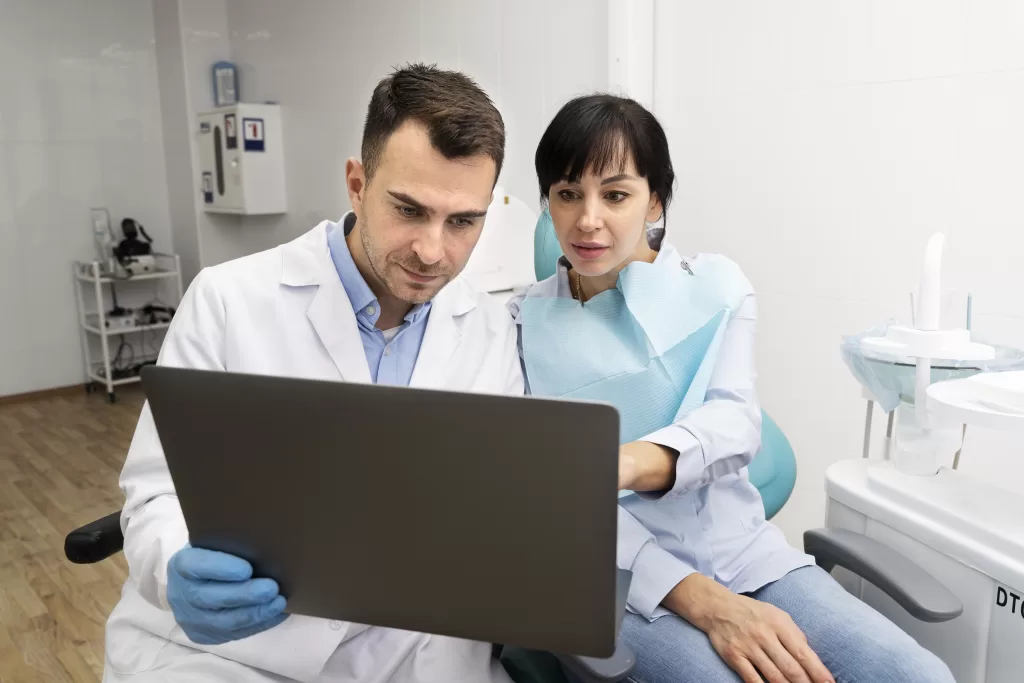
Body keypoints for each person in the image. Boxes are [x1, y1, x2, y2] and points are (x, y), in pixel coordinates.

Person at [509, 94, 955, 683]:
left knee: (918, 675)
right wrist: (691, 594)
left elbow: (734, 421)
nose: (588, 219)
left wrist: (626, 462)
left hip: (744, 554)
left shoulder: (717, 287)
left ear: (655, 201)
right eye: (567, 195)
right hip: (614, 572)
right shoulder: (518, 326)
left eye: (615, 194)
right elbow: (548, 500)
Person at [103, 64, 523, 683]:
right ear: (357, 184)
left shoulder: (489, 329)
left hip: (410, 647)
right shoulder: (229, 300)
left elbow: (488, 504)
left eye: (463, 221)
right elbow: (154, 493)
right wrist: (175, 567)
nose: (433, 251)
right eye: (409, 209)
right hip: (234, 651)